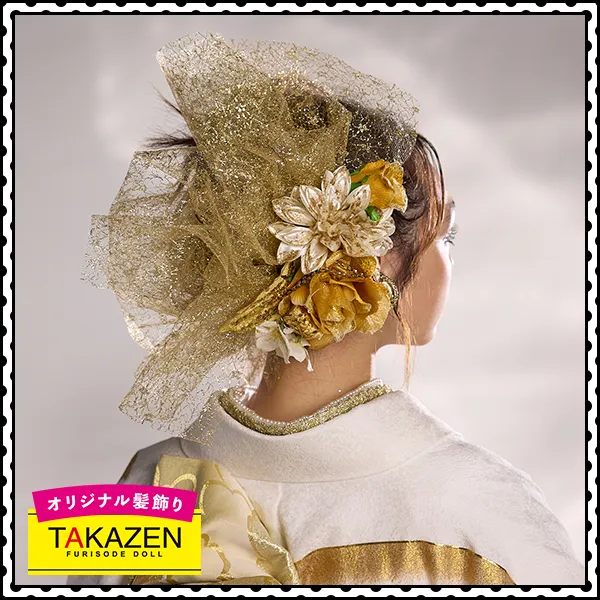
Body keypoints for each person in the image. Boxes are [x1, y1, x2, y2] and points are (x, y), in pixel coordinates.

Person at [70, 32, 584, 586]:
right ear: (371, 259)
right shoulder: (481, 510)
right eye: (445, 234)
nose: (448, 259)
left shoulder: (137, 493)